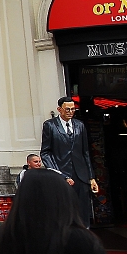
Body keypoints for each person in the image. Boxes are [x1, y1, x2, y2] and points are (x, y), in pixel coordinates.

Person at [41, 97, 100, 227]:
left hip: (81, 174)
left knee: (83, 208)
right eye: (67, 109)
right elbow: (45, 153)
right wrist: (58, 173)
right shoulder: (50, 125)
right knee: (64, 207)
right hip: (61, 173)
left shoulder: (80, 125)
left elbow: (85, 152)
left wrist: (91, 177)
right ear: (59, 109)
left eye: (73, 109)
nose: (70, 112)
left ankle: (84, 232)